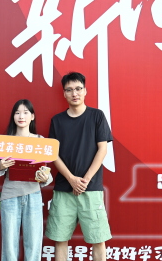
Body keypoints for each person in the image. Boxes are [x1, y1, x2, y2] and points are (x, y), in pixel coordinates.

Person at [45, 72, 113, 261]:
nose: (74, 93)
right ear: (64, 94)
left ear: (85, 91)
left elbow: (102, 150)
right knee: (60, 239)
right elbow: (53, 154)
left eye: (78, 89)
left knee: (98, 239)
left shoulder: (97, 116)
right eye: (69, 90)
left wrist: (85, 180)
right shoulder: (57, 120)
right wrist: (72, 179)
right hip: (63, 189)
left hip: (91, 189)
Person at [0, 99, 52, 261]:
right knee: (9, 245)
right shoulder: (6, 141)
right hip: (10, 196)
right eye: (17, 113)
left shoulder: (40, 141)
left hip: (33, 195)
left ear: (32, 116)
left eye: (26, 112)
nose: (21, 116)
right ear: (13, 116)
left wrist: (46, 178)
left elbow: (46, 171)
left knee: (33, 243)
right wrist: (1, 166)